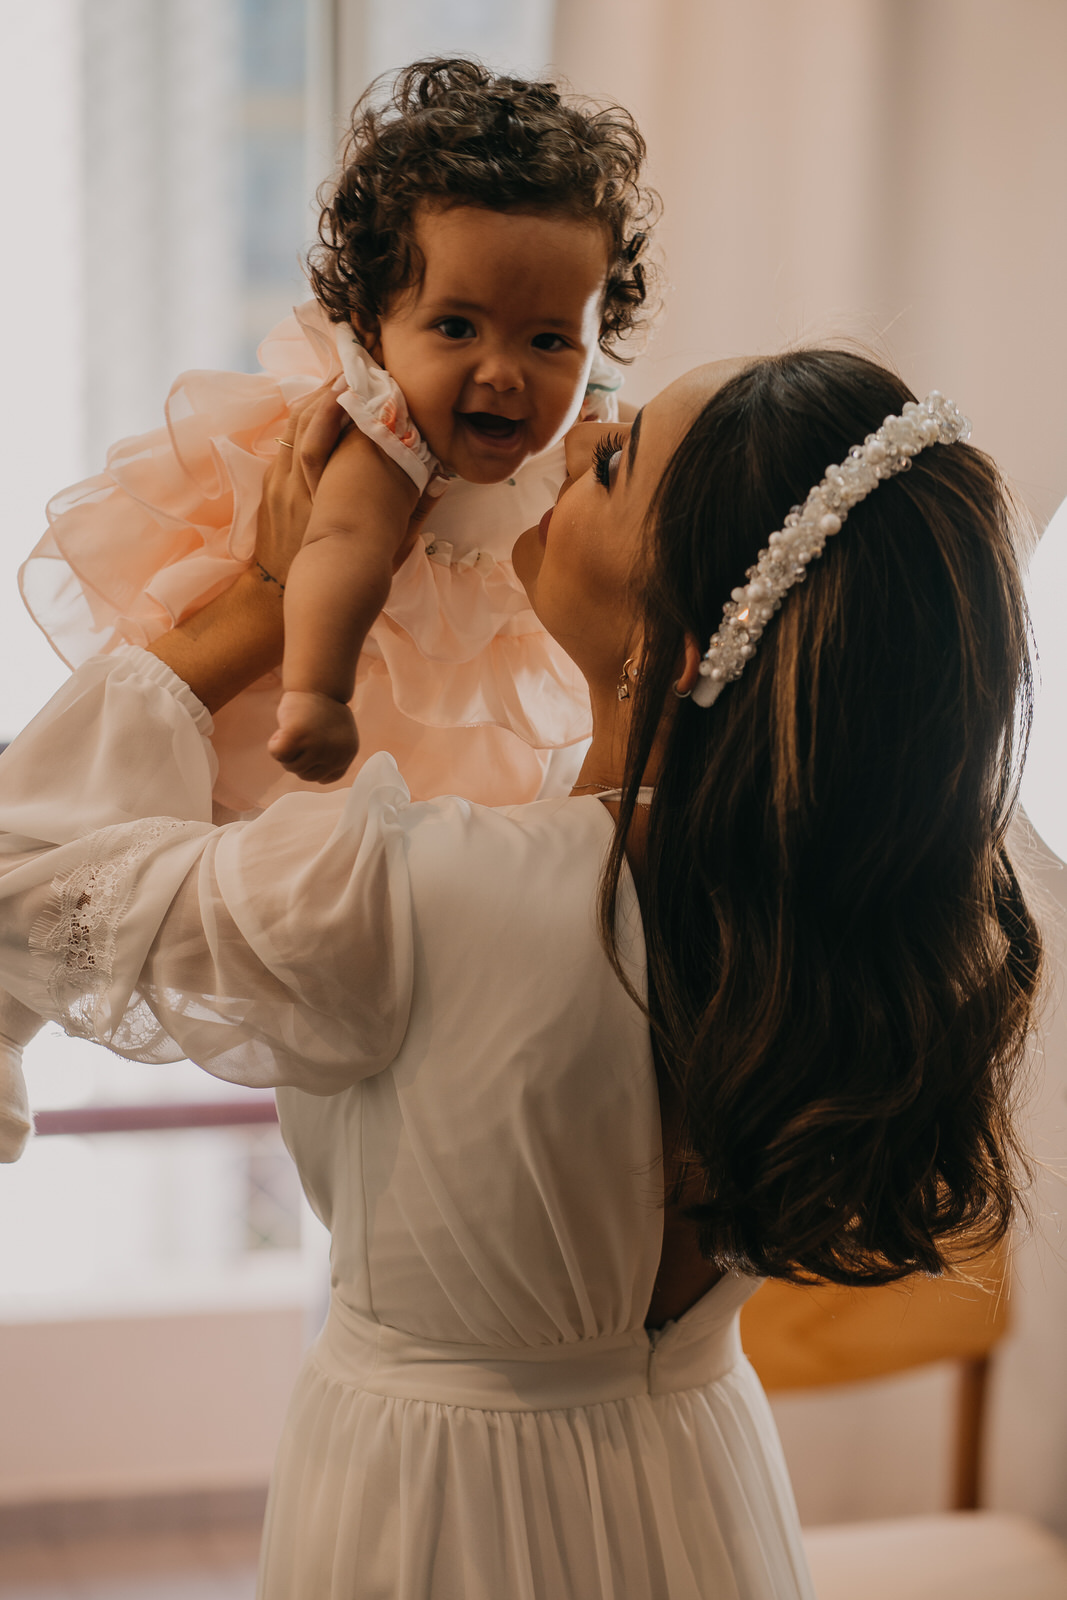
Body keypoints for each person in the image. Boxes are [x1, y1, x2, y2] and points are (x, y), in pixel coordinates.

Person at [0, 349, 1041, 1598]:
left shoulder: (421, 891)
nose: (572, 444)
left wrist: (261, 601)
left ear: (684, 631)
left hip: (441, 1514)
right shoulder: (802, 927)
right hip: (697, 1486)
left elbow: (19, 890)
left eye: (613, 460)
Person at [19, 57, 657, 813]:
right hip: (324, 672)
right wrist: (318, 695)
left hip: (445, 716)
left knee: (443, 831)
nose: (504, 373)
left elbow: (608, 503)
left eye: (549, 341)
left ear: (597, 334)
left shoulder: (586, 413)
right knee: (283, 833)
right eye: (456, 327)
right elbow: (340, 548)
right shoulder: (385, 429)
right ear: (372, 327)